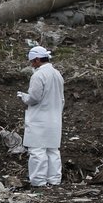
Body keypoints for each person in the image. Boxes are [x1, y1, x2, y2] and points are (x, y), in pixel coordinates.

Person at [18, 46, 65, 187]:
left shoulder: (38, 75)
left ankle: (38, 182)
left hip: (39, 119)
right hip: (55, 119)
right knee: (52, 150)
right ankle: (54, 180)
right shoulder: (57, 74)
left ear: (38, 60)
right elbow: (61, 98)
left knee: (37, 151)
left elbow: (34, 98)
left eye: (32, 61)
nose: (31, 64)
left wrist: (23, 97)